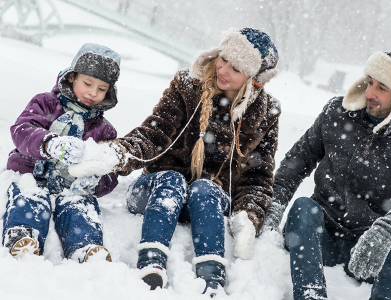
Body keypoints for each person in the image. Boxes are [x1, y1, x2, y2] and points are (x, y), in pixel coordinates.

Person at [73, 27, 280, 296]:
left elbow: (258, 175)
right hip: (158, 190)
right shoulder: (187, 85)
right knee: (173, 179)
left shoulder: (265, 113)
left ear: (253, 80)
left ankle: (212, 277)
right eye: (224, 59)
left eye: (236, 68)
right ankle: (150, 264)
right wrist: (114, 154)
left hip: (208, 202)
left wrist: (248, 216)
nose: (223, 70)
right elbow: (154, 134)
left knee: (204, 188)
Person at [263, 51, 391, 300]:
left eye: (381, 88)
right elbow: (298, 160)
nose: (370, 93)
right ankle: (310, 294)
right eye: (369, 82)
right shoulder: (336, 113)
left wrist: (388, 228)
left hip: (371, 250)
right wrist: (274, 203)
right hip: (320, 238)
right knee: (304, 207)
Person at [2, 43, 121, 263]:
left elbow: (111, 171)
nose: (93, 93)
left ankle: (85, 247)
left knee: (80, 206)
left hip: (70, 187)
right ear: (71, 77)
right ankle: (22, 235)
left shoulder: (104, 130)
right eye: (87, 83)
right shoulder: (46, 103)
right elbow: (22, 130)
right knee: (30, 197)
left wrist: (96, 182)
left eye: (102, 88)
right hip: (31, 174)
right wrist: (49, 144)